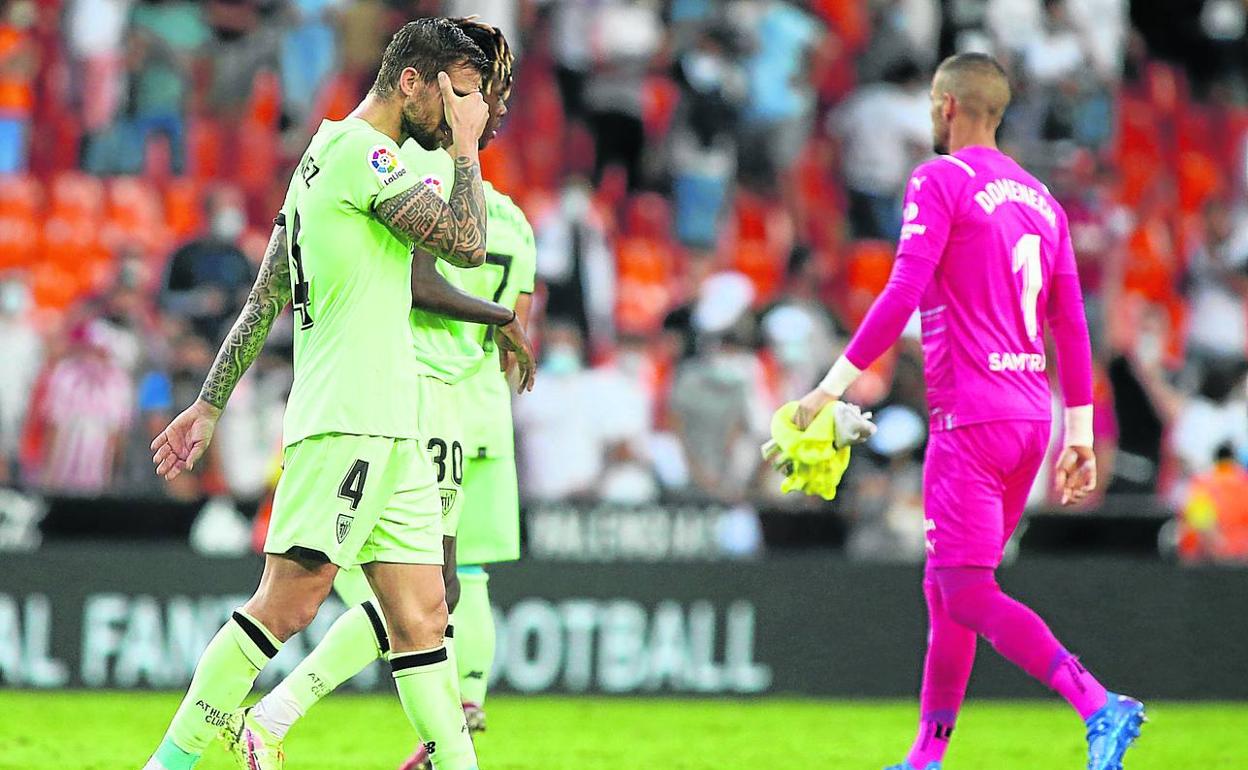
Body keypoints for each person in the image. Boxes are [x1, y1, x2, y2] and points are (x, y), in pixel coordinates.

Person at [144, 18, 500, 770]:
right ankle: (168, 766)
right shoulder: (367, 156)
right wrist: (466, 147)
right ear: (412, 82)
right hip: (349, 418)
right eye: (459, 96)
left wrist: (209, 403)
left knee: (423, 614)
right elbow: (468, 244)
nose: (466, 113)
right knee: (288, 604)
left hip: (391, 422)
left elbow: (267, 291)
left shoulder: (322, 155)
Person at [792, 53, 1144, 770]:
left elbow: (901, 292)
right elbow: (1071, 323)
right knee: (948, 587)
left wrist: (829, 388)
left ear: (946, 105)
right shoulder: (1041, 199)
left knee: (965, 590)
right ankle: (926, 757)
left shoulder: (939, 178)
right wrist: (1080, 433)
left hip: (971, 418)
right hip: (1031, 417)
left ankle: (1098, 703)